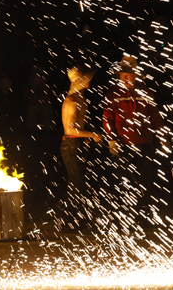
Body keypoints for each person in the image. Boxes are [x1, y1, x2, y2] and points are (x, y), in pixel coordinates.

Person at [102, 55, 170, 225]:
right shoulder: (113, 94)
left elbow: (155, 118)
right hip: (123, 146)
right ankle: (124, 217)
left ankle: (143, 216)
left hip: (145, 145)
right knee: (124, 181)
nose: (125, 77)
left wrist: (163, 137)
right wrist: (112, 140)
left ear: (136, 75)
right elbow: (107, 119)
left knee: (145, 181)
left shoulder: (146, 93)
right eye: (123, 73)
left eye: (129, 74)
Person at [59, 66, 101, 227]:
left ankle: (77, 218)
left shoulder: (79, 99)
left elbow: (77, 126)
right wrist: (91, 134)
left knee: (79, 183)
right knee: (76, 184)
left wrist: (86, 135)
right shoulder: (71, 102)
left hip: (75, 144)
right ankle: (69, 220)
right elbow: (69, 130)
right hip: (70, 145)